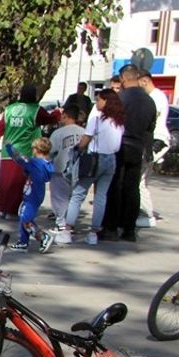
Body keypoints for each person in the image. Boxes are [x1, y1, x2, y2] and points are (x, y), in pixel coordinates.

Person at [101, 65, 156, 242]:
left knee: (115, 186)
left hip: (120, 145)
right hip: (138, 147)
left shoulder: (120, 98)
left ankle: (111, 228)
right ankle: (129, 230)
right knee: (132, 189)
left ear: (124, 79)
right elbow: (150, 128)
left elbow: (110, 122)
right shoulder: (149, 101)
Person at [64, 88, 124, 246]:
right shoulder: (119, 120)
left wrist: (77, 150)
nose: (96, 102)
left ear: (106, 101)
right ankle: (94, 232)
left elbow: (85, 140)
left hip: (94, 158)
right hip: (111, 159)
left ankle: (68, 229)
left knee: (78, 194)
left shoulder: (96, 119)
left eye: (98, 100)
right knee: (101, 197)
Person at [0, 84, 56, 218]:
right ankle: (13, 211)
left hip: (7, 153)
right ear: (34, 95)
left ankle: (4, 209)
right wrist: (58, 113)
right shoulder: (35, 110)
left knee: (6, 183)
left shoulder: (10, 109)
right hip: (25, 154)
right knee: (19, 184)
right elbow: (50, 119)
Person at [5, 138, 55, 252]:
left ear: (37, 150)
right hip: (37, 193)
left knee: (26, 219)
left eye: (33, 148)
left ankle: (43, 237)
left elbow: (18, 157)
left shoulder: (35, 162)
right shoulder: (46, 164)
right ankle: (23, 242)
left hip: (32, 195)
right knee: (23, 216)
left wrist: (9, 146)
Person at [137, 71, 170, 227]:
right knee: (141, 180)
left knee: (140, 181)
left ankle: (146, 214)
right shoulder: (158, 96)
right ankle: (144, 213)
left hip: (156, 140)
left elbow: (151, 122)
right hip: (156, 140)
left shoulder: (155, 98)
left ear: (144, 81)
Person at [47, 106, 84, 237]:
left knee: (59, 197)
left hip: (61, 168)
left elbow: (50, 151)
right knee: (75, 198)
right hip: (80, 169)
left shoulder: (58, 133)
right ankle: (70, 223)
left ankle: (61, 222)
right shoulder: (84, 132)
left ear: (65, 116)